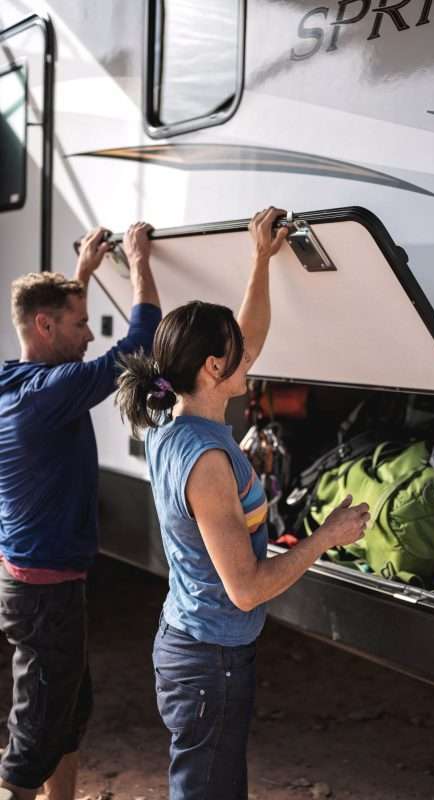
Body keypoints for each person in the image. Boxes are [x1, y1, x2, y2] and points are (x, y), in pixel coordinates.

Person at [116, 207, 370, 800]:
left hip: (196, 644)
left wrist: (261, 260)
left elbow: (247, 335)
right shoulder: (206, 461)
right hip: (208, 659)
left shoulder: (169, 417)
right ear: (212, 368)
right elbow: (247, 589)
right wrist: (325, 537)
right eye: (237, 354)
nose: (249, 358)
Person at [0, 223, 161, 800]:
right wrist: (140, 263)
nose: (90, 334)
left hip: (43, 584)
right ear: (44, 326)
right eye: (79, 323)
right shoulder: (48, 394)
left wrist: (86, 275)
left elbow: (68, 336)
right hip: (44, 593)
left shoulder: (16, 381)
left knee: (67, 710)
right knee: (37, 726)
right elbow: (138, 347)